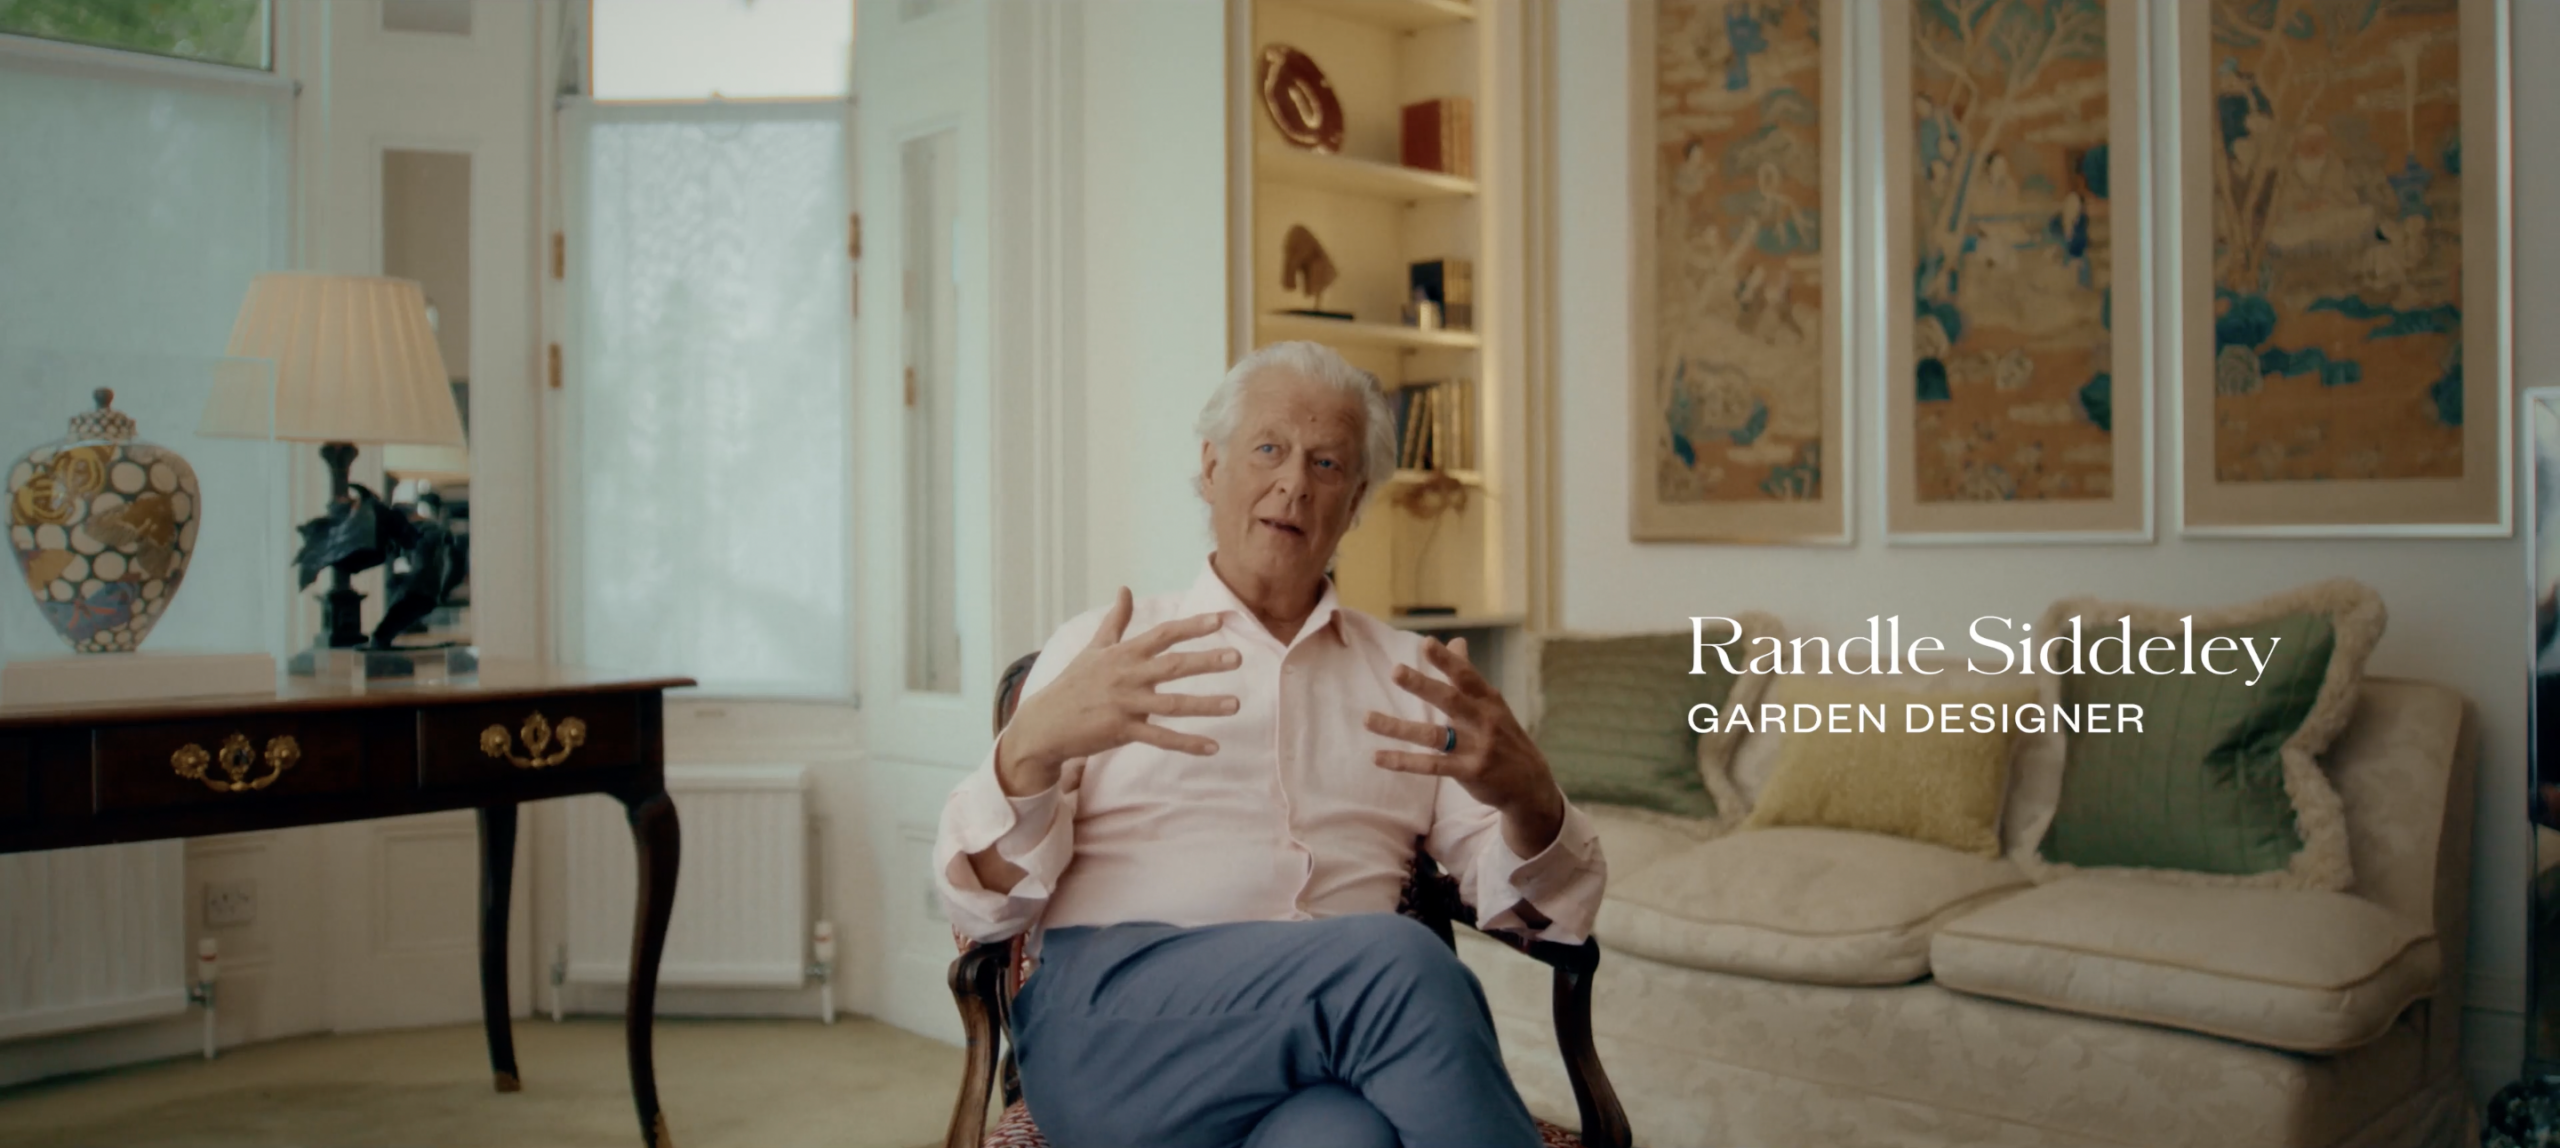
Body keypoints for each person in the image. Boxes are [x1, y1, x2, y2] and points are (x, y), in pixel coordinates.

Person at [935, 341, 1606, 1148]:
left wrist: (1530, 798)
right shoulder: (1107, 650)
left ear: (1356, 500)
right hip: (1118, 1029)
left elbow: (1550, 917)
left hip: (1322, 1057)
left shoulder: (1412, 678)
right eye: (1268, 449)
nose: (1293, 483)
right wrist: (1031, 751)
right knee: (1400, 966)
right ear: (1211, 467)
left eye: (1327, 464)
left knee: (1348, 1139)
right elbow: (981, 906)